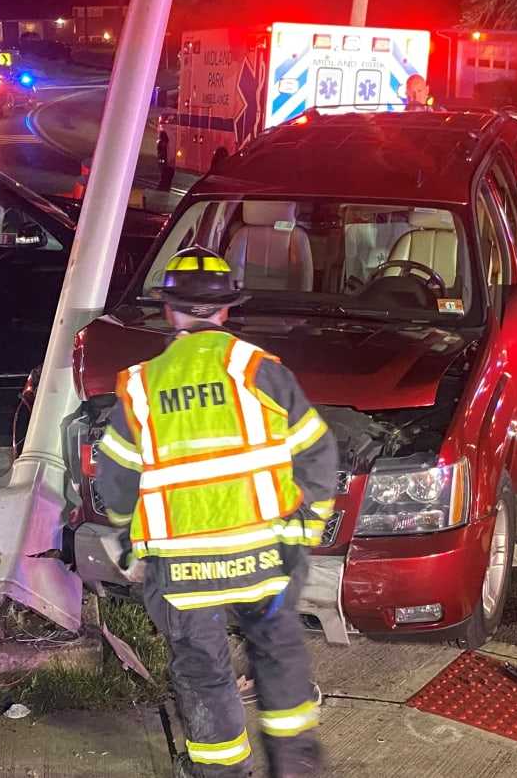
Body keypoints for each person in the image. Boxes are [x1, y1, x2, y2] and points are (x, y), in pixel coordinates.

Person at [95, 247, 338, 778]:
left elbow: (115, 479)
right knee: (278, 658)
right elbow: (318, 454)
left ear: (169, 310)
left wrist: (127, 541)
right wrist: (308, 527)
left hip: (183, 570)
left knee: (203, 673)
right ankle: (296, 768)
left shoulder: (142, 385)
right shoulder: (260, 370)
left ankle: (223, 772)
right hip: (266, 558)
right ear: (227, 309)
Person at [156, 123, 175, 191]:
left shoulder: (161, 143)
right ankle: (164, 188)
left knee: (165, 174)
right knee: (166, 175)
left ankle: (163, 188)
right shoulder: (164, 144)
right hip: (166, 162)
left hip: (165, 162)